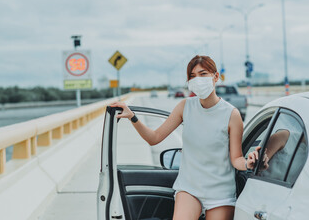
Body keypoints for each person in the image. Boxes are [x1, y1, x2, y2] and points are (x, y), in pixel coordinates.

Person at [110, 55, 259, 220]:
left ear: (216, 77)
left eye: (203, 74)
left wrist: (248, 163)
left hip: (220, 192)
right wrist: (133, 117)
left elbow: (236, 158)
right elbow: (154, 138)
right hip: (189, 188)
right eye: (193, 76)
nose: (198, 80)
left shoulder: (232, 114)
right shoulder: (185, 106)